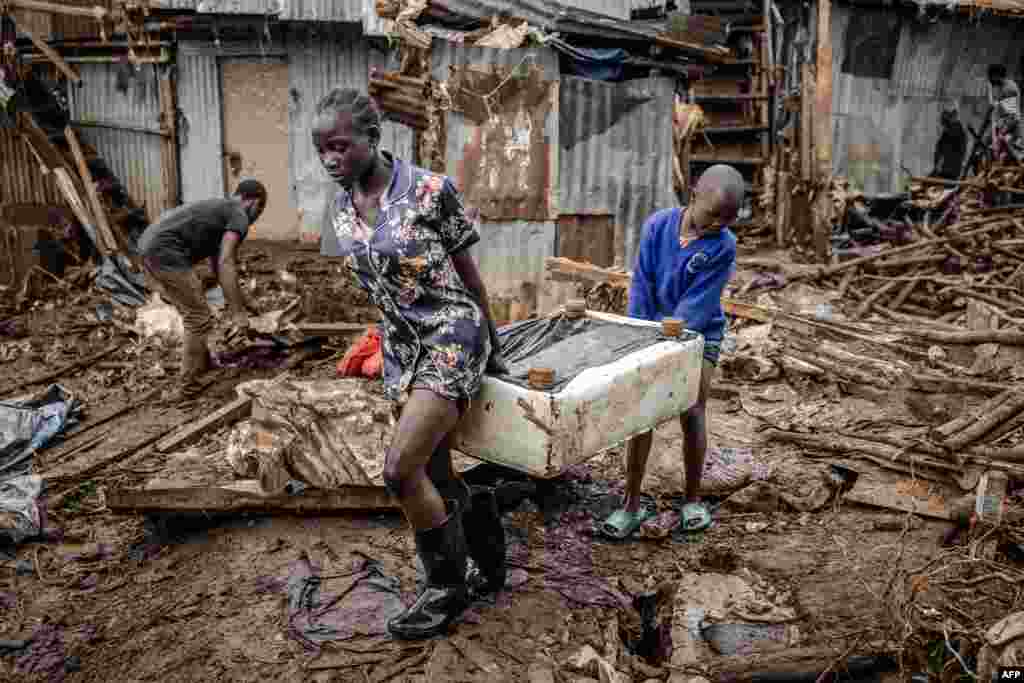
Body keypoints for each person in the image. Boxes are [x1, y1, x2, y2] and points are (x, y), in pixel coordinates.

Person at [312, 88, 508, 640]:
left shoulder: (429, 190)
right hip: (402, 349)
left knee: (400, 471)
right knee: (438, 473)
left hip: (452, 335)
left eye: (341, 146)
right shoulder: (341, 204)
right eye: (322, 149)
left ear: (373, 140)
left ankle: (446, 589)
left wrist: (494, 342)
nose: (331, 159)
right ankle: (488, 553)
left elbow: (469, 274)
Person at [601, 164, 741, 540]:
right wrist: (639, 334)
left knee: (692, 407)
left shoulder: (723, 246)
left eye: (727, 220)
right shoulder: (657, 226)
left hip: (698, 335)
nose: (717, 225)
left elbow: (698, 305)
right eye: (712, 215)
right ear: (693, 194)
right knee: (642, 414)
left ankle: (692, 499)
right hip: (649, 331)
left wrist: (671, 340)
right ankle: (631, 503)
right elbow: (642, 284)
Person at [137, 180, 266, 401]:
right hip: (165, 250)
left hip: (149, 247)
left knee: (194, 312)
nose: (257, 216)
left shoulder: (221, 211)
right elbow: (227, 262)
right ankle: (187, 388)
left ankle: (203, 366)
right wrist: (238, 314)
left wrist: (244, 302)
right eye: (259, 210)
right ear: (253, 202)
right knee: (198, 318)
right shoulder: (239, 215)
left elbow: (218, 267)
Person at [987, 64, 1021, 160]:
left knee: (1007, 154)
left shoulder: (1009, 89)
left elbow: (1013, 116)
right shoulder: (1000, 86)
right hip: (1003, 125)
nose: (989, 80)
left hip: (1010, 128)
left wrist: (1000, 134)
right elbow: (995, 106)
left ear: (997, 76)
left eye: (991, 77)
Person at [931, 103, 967, 180]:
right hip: (946, 170)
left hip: (950, 172)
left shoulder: (956, 131)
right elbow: (939, 151)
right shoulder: (947, 133)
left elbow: (942, 151)